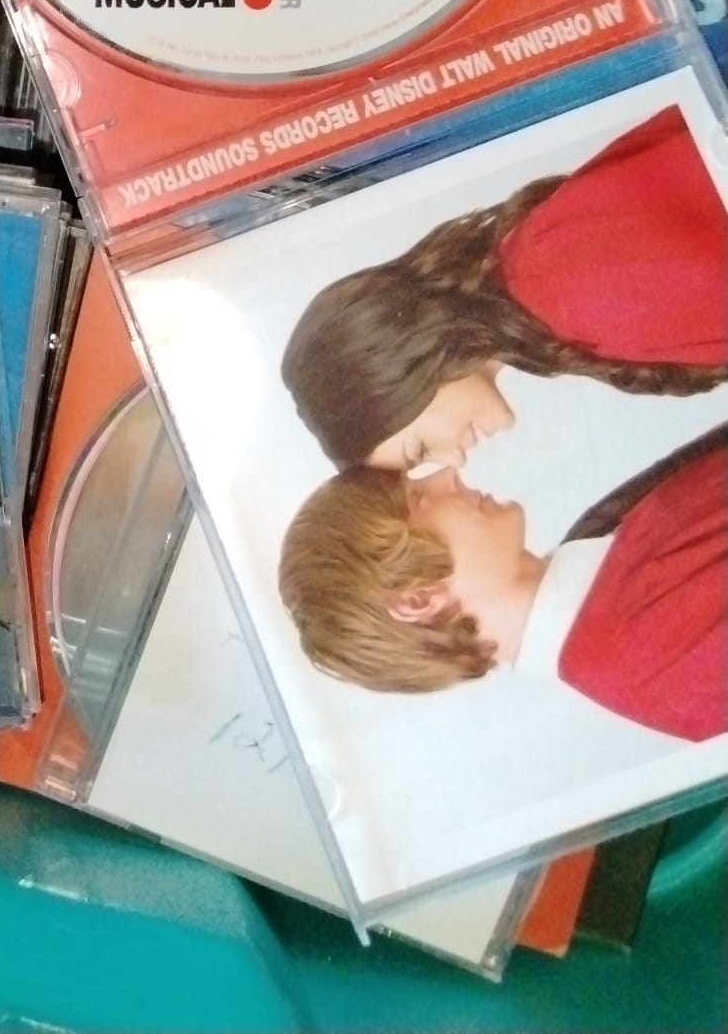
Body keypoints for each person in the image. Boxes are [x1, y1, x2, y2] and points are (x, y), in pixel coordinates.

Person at [281, 106, 728, 471]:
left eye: (422, 449)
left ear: (399, 370)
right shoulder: (541, 290)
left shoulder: (559, 283)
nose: (455, 460)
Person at [277, 427, 727, 742]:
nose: (446, 473)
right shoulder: (650, 658)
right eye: (417, 498)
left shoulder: (595, 557)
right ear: (419, 598)